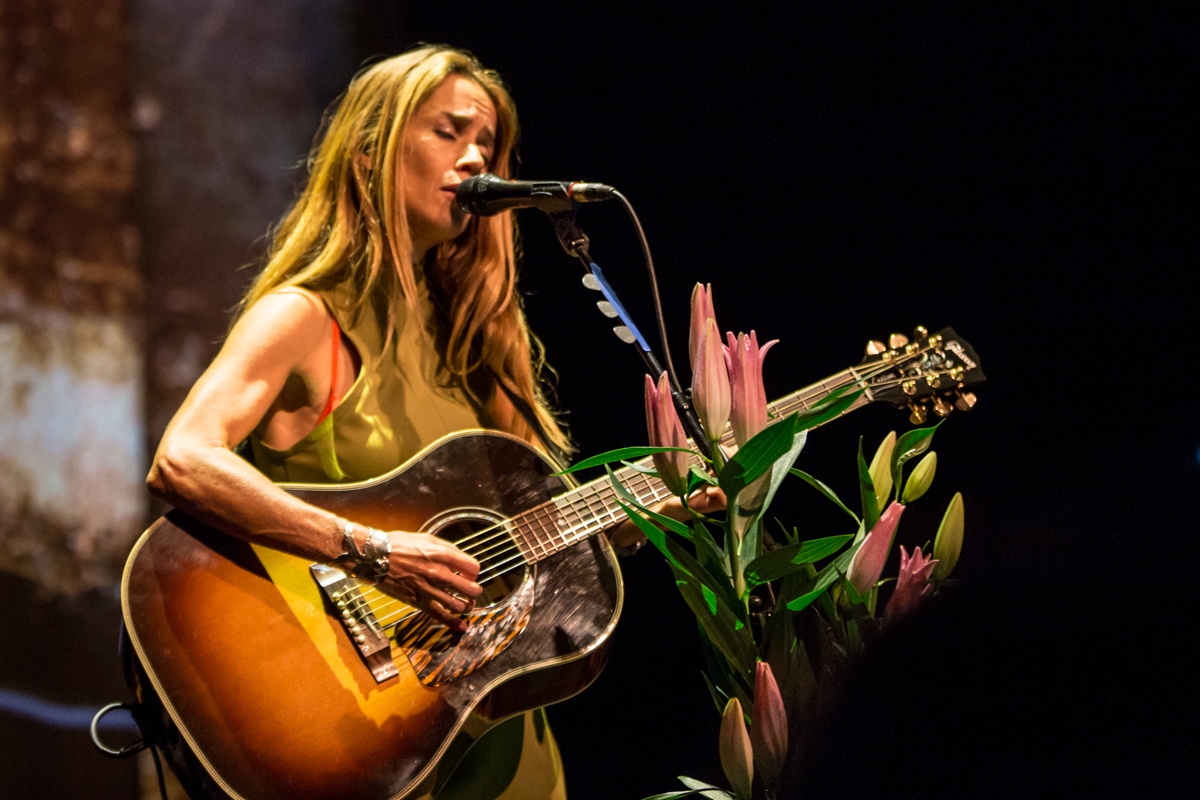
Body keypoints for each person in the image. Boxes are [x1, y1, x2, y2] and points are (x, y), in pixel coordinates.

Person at [147, 44, 720, 799]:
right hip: (356, 725)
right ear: (367, 154)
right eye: (450, 133)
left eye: (487, 143)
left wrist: (640, 513)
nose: (477, 157)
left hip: (493, 731)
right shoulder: (304, 317)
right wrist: (372, 552)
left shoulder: (476, 351)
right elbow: (184, 460)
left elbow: (519, 545)